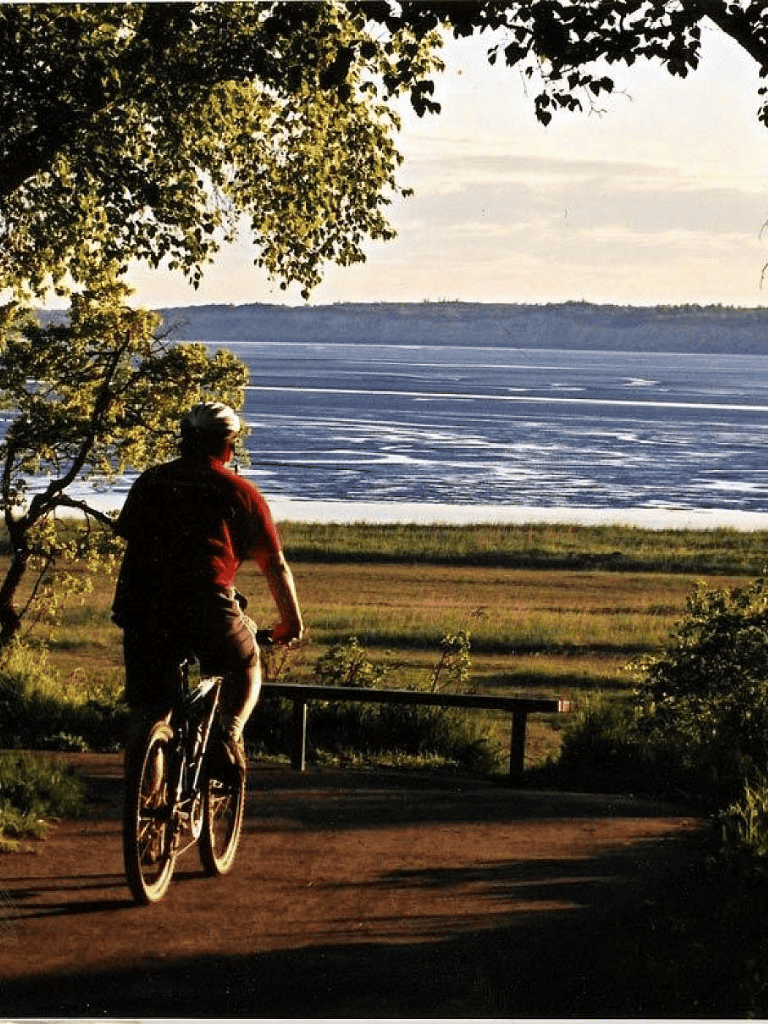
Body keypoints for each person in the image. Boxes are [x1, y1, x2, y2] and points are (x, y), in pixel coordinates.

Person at [112, 401, 304, 775]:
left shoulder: (149, 481)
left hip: (141, 606)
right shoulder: (240, 492)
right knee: (246, 663)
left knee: (150, 710)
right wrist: (290, 624)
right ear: (228, 445)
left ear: (183, 439)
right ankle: (227, 736)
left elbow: (130, 538)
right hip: (206, 605)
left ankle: (144, 810)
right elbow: (274, 565)